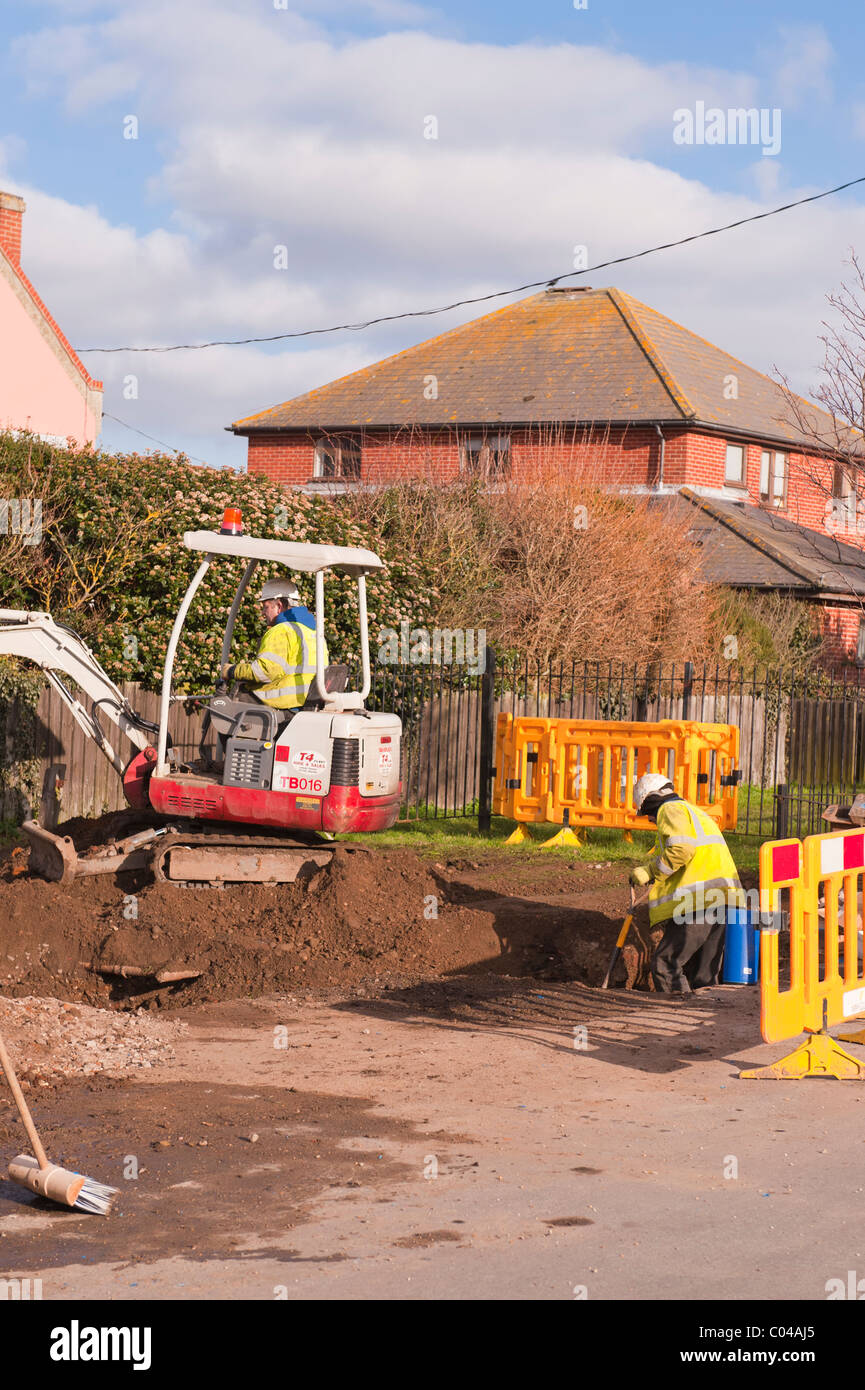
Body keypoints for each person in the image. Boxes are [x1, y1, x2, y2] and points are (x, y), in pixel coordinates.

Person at [629, 772, 744, 995]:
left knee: (666, 965)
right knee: (705, 975)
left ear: (650, 801)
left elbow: (682, 849)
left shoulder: (669, 810)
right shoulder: (694, 812)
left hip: (699, 901)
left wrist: (650, 871)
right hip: (724, 898)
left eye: (647, 813)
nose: (650, 819)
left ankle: (676, 1018)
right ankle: (702, 1023)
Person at [221, 579, 328, 711]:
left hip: (285, 702)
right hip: (309, 701)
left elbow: (264, 672)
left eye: (265, 607)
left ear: (278, 606)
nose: (263, 613)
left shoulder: (281, 630)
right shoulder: (315, 632)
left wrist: (232, 670)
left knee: (235, 702)